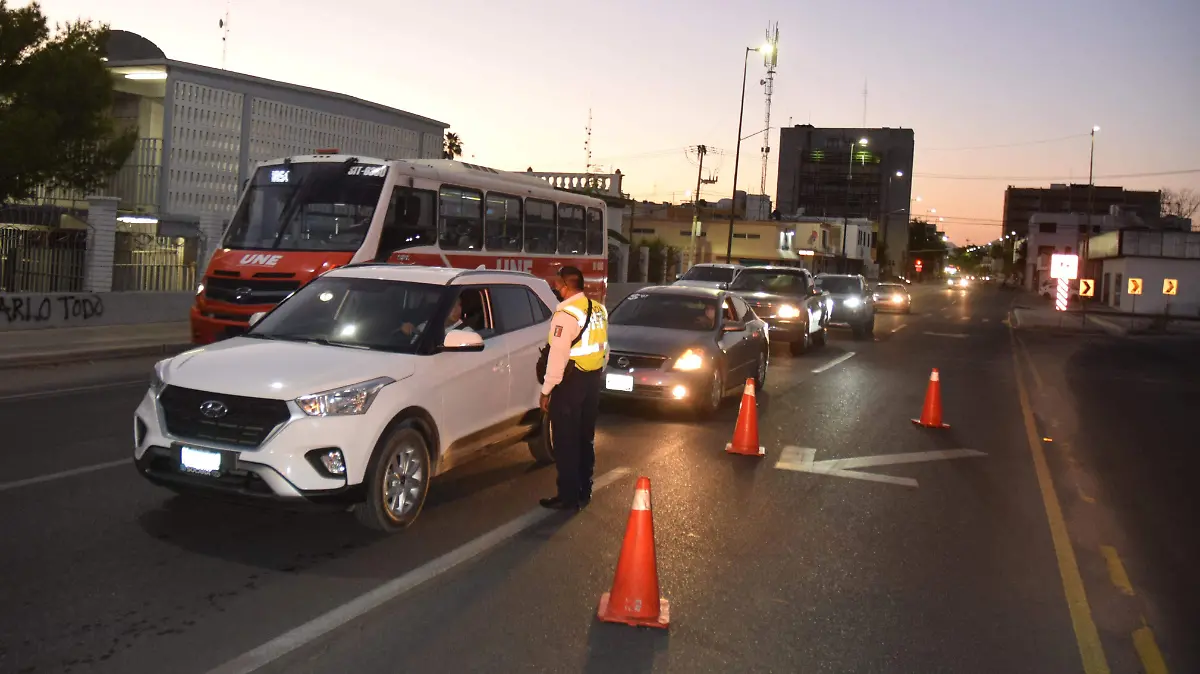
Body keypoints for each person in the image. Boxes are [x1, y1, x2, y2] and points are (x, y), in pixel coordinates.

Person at [539, 266, 608, 511]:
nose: (556, 288)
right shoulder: (598, 309)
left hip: (571, 384)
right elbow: (605, 348)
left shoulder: (566, 315)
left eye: (558, 284)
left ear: (566, 286)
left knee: (566, 441)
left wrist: (546, 390)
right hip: (592, 381)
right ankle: (584, 489)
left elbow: (557, 358)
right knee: (584, 438)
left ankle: (568, 497)